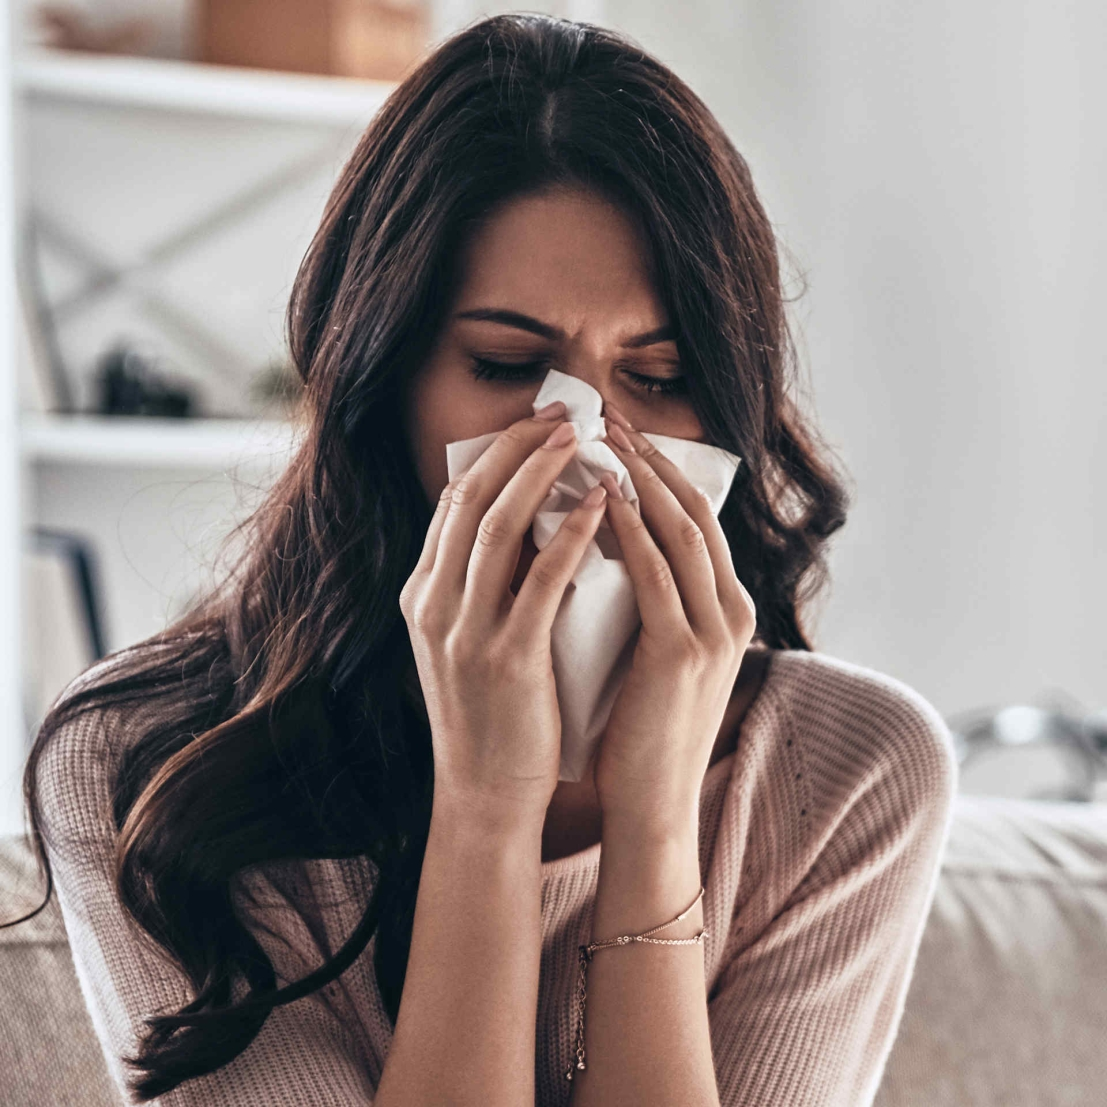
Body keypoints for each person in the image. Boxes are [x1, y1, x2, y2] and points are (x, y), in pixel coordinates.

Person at [5, 13, 957, 1107]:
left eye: (657, 378)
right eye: (509, 364)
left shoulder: (854, 776)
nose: (589, 446)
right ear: (382, 383)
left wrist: (652, 826)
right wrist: (489, 807)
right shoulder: (137, 767)